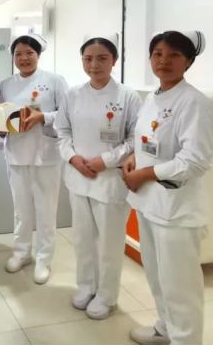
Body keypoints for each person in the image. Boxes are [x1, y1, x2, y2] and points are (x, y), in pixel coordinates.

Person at [123, 31, 213, 346]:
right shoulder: (154, 97)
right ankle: (165, 328)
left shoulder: (193, 101)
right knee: (158, 276)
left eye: (174, 55)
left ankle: (185, 340)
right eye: (158, 54)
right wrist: (134, 157)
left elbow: (195, 161)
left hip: (177, 210)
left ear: (188, 61)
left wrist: (145, 173)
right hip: (150, 204)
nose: (164, 61)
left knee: (180, 286)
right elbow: (150, 142)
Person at [55, 34, 142, 319]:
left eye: (102, 58)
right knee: (82, 238)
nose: (94, 65)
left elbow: (135, 139)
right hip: (78, 176)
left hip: (110, 180)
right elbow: (62, 132)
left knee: (110, 242)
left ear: (114, 60)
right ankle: (87, 286)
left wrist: (104, 161)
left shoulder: (128, 96)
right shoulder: (72, 94)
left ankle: (107, 296)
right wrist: (73, 158)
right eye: (88, 59)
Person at [0, 35, 68, 285]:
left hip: (46, 154)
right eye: (18, 54)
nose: (24, 58)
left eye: (29, 53)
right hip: (17, 153)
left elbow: (67, 115)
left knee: (46, 210)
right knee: (21, 209)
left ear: (38, 55)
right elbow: (2, 116)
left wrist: (43, 117)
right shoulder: (6, 84)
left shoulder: (55, 81)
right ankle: (22, 252)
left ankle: (44, 259)